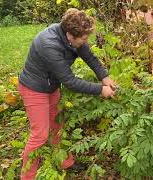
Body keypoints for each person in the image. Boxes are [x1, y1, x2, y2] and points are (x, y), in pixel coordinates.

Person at [18, 8, 116, 179]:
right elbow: (70, 82)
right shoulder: (49, 44)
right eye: (84, 39)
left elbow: (89, 57)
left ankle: (65, 162)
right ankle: (27, 176)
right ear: (70, 35)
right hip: (34, 88)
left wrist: (104, 77)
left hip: (50, 86)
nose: (86, 41)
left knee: (57, 126)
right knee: (40, 135)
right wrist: (101, 90)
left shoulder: (72, 38)